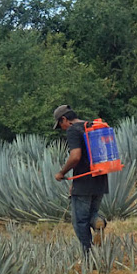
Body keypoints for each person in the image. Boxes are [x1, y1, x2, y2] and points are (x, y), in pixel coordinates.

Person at [53, 104, 108, 252]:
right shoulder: (90, 125)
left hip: (84, 182)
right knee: (92, 214)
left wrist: (61, 173)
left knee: (80, 222)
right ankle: (99, 221)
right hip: (100, 179)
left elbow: (76, 156)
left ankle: (88, 256)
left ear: (64, 119)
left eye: (60, 124)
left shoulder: (73, 130)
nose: (62, 128)